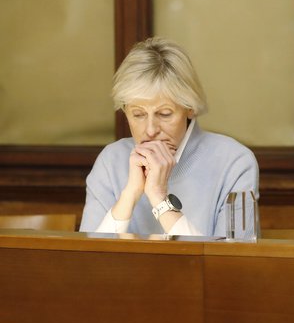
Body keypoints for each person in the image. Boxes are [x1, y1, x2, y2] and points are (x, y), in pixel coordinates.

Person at [80, 37, 259, 237]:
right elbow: (87, 258)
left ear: (190, 108)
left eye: (164, 114)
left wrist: (159, 198)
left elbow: (231, 262)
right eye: (138, 115)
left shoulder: (234, 162)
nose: (150, 130)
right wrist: (129, 195)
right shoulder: (111, 160)